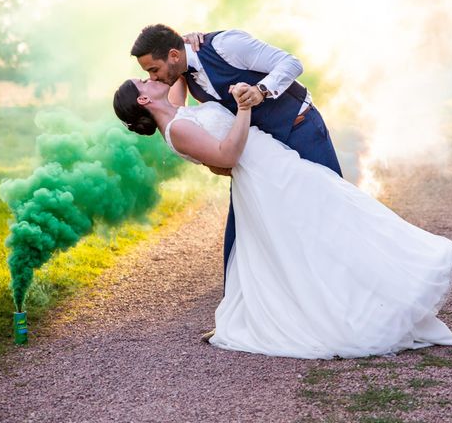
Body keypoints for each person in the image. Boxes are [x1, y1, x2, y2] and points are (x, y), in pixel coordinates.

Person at [113, 74, 452, 359]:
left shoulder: (175, 112)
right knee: (339, 213)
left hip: (276, 163)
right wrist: (243, 109)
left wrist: (187, 45)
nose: (150, 77)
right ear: (143, 99)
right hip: (266, 178)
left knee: (341, 211)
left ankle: (420, 265)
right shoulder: (176, 130)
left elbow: (177, 77)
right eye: (143, 81)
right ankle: (434, 257)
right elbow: (226, 157)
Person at [130, 24, 343, 342]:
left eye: (154, 69)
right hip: (259, 159)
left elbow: (291, 63)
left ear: (173, 55)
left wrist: (261, 92)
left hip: (299, 130)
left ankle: (342, 306)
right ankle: (238, 318)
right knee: (242, 232)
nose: (154, 77)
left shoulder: (226, 44)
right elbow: (181, 116)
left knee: (331, 216)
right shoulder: (183, 75)